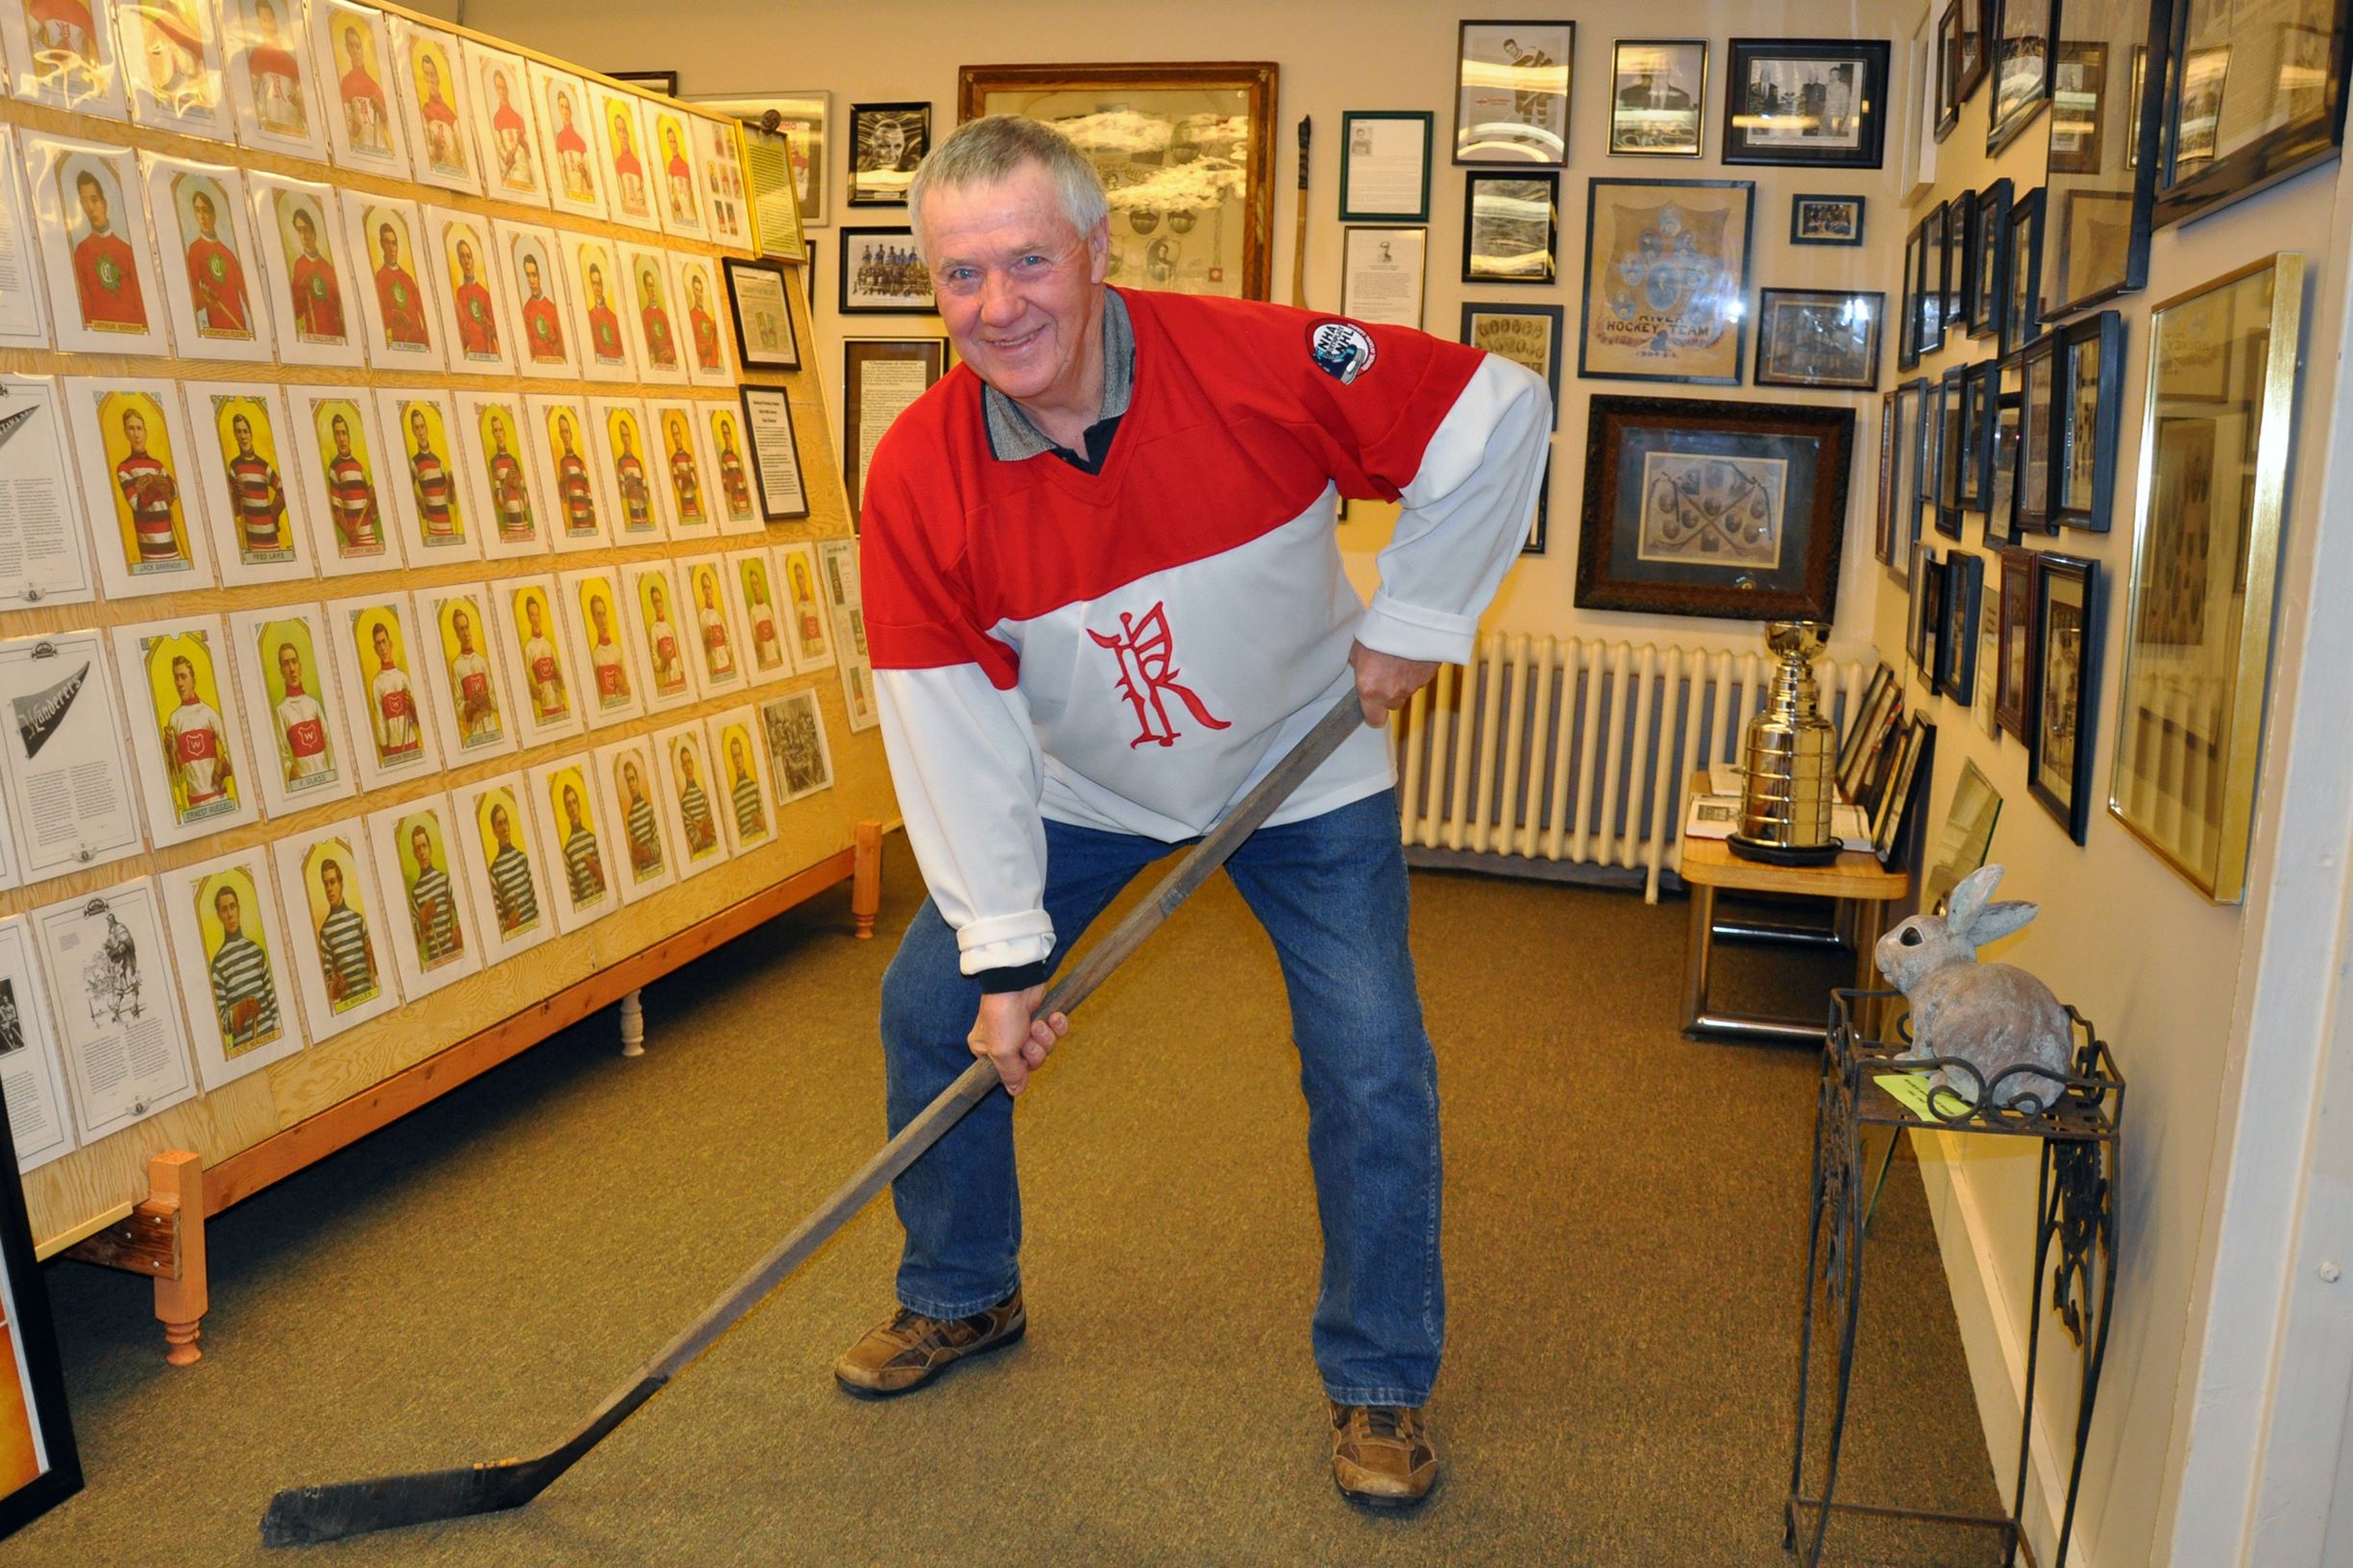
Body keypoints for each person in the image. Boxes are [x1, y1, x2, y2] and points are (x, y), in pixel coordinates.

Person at [840, 115, 1547, 1508]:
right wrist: (1002, 957)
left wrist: (1415, 613)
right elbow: (949, 727)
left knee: (1371, 1064)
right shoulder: (918, 472)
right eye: (960, 276)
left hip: (1303, 770)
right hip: (1085, 789)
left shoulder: (1255, 361)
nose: (997, 307)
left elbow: (1495, 408)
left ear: (1099, 249)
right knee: (929, 1012)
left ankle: (1381, 1382)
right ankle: (964, 1289)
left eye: (1028, 261)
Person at [71, 168, 146, 332]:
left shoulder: (127, 251)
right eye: (85, 202)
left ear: (104, 204)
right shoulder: (81, 253)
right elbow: (85, 308)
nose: (91, 208)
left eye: (94, 200)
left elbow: (142, 305)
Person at [208, 884, 281, 1051]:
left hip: (272, 1039)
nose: (230, 914)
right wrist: (241, 1010)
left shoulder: (256, 952)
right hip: (245, 1049)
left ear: (239, 909)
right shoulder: (218, 965)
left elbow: (273, 1002)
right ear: (219, 915)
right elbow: (223, 1024)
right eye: (224, 909)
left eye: (232, 907)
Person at [162, 652, 233, 818]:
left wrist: (223, 764)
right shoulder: (175, 719)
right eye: (176, 678)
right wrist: (170, 754)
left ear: (193, 680)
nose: (179, 683)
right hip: (195, 806)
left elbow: (233, 749)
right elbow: (177, 781)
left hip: (219, 800)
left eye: (183, 677)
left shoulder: (209, 714)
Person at [115, 406, 184, 569]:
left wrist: (150, 482)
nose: (136, 434)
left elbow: (174, 491)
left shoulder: (157, 465)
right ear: (125, 432)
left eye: (139, 428)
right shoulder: (124, 468)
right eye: (131, 429)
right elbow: (136, 503)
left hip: (170, 540)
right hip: (149, 546)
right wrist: (157, 483)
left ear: (145, 431)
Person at [183, 187, 251, 337]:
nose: (202, 217)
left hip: (239, 327)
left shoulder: (228, 254)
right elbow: (191, 294)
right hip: (217, 331)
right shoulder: (195, 250)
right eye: (198, 211)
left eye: (205, 211)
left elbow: (248, 296)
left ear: (213, 215)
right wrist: (203, 297)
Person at [314, 854, 378, 1008]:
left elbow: (375, 970)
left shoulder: (357, 920)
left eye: (332, 882)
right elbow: (329, 989)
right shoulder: (326, 932)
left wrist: (373, 954)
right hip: (349, 1006)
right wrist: (336, 985)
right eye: (325, 884)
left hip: (372, 997)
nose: (329, 888)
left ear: (341, 883)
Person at [224, 411, 286, 559]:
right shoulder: (234, 467)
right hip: (250, 537)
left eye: (245, 431)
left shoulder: (263, 466)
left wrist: (273, 513)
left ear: (251, 434)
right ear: (235, 435)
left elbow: (283, 490)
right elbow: (235, 511)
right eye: (239, 432)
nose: (243, 436)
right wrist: (235, 495)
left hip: (270, 535)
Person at [243, 0, 307, 135]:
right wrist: (261, 119)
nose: (268, 23)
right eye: (264, 20)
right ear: (259, 23)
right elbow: (248, 95)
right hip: (271, 128)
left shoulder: (290, 61)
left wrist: (299, 101)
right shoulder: (257, 56)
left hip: (294, 127)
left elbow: (304, 100)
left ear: (276, 21)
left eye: (270, 19)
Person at [274, 638, 331, 786]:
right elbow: (281, 753)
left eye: (294, 662)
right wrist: (291, 772)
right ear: (281, 671)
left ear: (300, 667)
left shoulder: (314, 705)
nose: (292, 669)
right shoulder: (281, 711)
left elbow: (329, 743)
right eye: (286, 664)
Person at [326, 412, 382, 554]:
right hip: (354, 539)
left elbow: (373, 513)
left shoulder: (359, 467)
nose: (342, 438)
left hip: (370, 536)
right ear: (334, 438)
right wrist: (349, 531)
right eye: (337, 434)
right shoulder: (334, 469)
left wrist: (374, 500)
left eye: (344, 433)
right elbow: (336, 510)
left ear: (349, 436)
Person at [285, 204, 344, 341]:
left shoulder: (329, 269)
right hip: (314, 338)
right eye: (299, 231)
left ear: (314, 232)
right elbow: (296, 312)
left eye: (306, 230)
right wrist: (300, 289)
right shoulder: (299, 265)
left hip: (333, 337)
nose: (303, 236)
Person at [406, 822, 460, 963]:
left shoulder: (444, 880)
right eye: (418, 848)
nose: (422, 852)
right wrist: (423, 916)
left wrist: (459, 932)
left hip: (455, 954)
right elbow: (415, 939)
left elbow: (463, 911)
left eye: (424, 846)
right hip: (434, 961)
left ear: (430, 848)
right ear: (414, 854)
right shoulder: (416, 893)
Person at [445, 605, 500, 745]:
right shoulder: (457, 666)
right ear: (457, 634)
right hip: (474, 735)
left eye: (467, 627)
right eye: (461, 629)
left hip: (492, 730)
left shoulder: (482, 661)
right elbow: (457, 706)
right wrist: (469, 706)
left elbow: (497, 698)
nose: (466, 633)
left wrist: (487, 698)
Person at [368, 619, 421, 762]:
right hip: (393, 750)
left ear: (390, 644)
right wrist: (386, 752)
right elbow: (379, 720)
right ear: (375, 649)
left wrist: (412, 706)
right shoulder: (377, 683)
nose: (382, 648)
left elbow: (419, 718)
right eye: (378, 644)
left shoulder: (403, 678)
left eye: (384, 642)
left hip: (412, 744)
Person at [373, 220, 429, 350]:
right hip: (399, 345)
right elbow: (380, 318)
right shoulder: (380, 278)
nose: (391, 248)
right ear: (381, 244)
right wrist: (396, 314)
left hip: (419, 345)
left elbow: (424, 311)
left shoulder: (407, 277)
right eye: (387, 243)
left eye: (394, 243)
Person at [406, 405, 458, 544]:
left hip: (447, 524)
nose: (421, 432)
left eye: (422, 426)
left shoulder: (438, 461)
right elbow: (407, 489)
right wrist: (421, 502)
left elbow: (450, 499)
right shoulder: (414, 463)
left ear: (427, 428)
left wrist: (452, 482)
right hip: (433, 526)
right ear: (413, 431)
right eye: (417, 428)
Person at [484, 802, 537, 934]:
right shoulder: (494, 872)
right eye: (499, 824)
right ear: (494, 831)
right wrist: (509, 925)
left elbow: (537, 901)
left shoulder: (522, 859)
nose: (504, 828)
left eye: (505, 822)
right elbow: (500, 922)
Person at [337, 23, 389, 153]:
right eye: (351, 46)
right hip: (359, 151)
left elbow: (389, 124)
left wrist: (380, 110)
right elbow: (346, 129)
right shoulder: (346, 82)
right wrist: (353, 129)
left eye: (358, 46)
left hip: (380, 151)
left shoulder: (374, 85)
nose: (355, 50)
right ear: (347, 48)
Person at [519, 596, 569, 721]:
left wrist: (560, 676)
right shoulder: (528, 648)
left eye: (537, 614)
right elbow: (527, 678)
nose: (535, 619)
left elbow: (562, 679)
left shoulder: (549, 645)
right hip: (545, 707)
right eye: (532, 615)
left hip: (560, 703)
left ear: (540, 616)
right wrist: (534, 689)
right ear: (529, 618)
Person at [449, 236, 499, 358]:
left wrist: (490, 328)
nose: (466, 260)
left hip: (488, 353)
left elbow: (496, 328)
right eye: (462, 256)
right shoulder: (459, 293)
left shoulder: (484, 293)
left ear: (473, 260)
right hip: (470, 355)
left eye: (468, 256)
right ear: (459, 261)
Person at [414, 51, 462, 173]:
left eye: (433, 74)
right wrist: (436, 149)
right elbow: (425, 154)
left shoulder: (451, 114)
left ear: (438, 78)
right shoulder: (424, 113)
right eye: (427, 75)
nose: (431, 79)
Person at [486, 420, 533, 542]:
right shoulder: (494, 462)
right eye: (495, 431)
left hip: (523, 520)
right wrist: (507, 482)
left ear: (504, 432)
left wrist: (517, 484)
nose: (498, 434)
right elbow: (500, 502)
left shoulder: (513, 460)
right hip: (510, 522)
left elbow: (527, 500)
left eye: (500, 430)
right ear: (493, 434)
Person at [559, 783, 605, 905]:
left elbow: (606, 879)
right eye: (568, 804)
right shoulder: (568, 850)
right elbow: (574, 893)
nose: (572, 808)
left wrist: (594, 867)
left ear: (579, 805)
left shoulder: (592, 839)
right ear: (566, 810)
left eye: (574, 802)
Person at [552, 413, 598, 536]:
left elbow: (587, 487)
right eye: (562, 432)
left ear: (571, 434)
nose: (565, 435)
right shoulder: (562, 462)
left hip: (585, 511)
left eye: (567, 431)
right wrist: (563, 485)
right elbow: (562, 492)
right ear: (560, 435)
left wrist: (591, 509)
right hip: (572, 512)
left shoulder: (579, 462)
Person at [587, 592, 631, 708]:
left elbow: (631, 693)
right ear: (594, 620)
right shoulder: (594, 657)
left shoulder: (618, 652)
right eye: (598, 615)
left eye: (604, 614)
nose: (603, 620)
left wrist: (623, 684)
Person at [519, 253, 565, 362]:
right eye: (528, 275)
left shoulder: (552, 308)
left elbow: (563, 346)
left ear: (539, 275)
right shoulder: (526, 310)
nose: (531, 280)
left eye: (534, 275)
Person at [620, 759, 662, 874]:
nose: (631, 784)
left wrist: (646, 851)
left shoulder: (649, 809)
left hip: (657, 867)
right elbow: (635, 854)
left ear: (637, 780)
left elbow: (659, 843)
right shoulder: (630, 818)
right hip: (644, 873)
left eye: (633, 779)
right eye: (628, 780)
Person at [643, 578, 684, 695]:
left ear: (663, 602)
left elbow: (679, 656)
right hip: (667, 677)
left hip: (678, 677)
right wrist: (663, 662)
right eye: (655, 602)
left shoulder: (670, 628)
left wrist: (683, 674)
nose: (658, 604)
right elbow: (655, 662)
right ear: (652, 604)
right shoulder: (654, 630)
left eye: (659, 601)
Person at [675, 744, 716, 855]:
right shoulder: (684, 802)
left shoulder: (702, 796)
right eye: (685, 764)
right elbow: (693, 839)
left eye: (689, 762)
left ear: (692, 764)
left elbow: (714, 829)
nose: (688, 767)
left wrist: (700, 829)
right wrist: (703, 831)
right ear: (682, 768)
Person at [613, 419, 652, 530]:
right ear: (621, 438)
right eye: (623, 436)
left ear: (630, 437)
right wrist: (628, 484)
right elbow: (622, 492)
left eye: (627, 435)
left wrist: (642, 494)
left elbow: (646, 489)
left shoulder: (637, 462)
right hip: (633, 512)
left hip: (644, 512)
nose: (625, 439)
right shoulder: (621, 462)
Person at [695, 570, 734, 679]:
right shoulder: (702, 617)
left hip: (726, 665)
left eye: (709, 587)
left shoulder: (718, 615)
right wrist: (707, 641)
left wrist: (727, 655)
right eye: (704, 588)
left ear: (712, 589)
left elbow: (728, 640)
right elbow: (701, 647)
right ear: (702, 591)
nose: (707, 591)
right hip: (714, 667)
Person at [726, 733, 765, 842]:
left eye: (738, 755)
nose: (737, 760)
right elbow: (738, 830)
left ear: (743, 756)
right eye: (734, 757)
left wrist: (758, 820)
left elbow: (764, 823)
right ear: (732, 760)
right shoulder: (734, 795)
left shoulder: (754, 787)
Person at [584, 261, 625, 365]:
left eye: (599, 283)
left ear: (602, 284)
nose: (597, 287)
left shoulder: (614, 318)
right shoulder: (589, 317)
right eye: (594, 283)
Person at [665, 415, 702, 525]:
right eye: (674, 434)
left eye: (677, 433)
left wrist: (689, 477)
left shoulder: (688, 457)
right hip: (684, 497)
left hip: (692, 494)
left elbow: (695, 480)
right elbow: (677, 481)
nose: (676, 437)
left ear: (680, 434)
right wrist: (683, 479)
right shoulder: (674, 460)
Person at [639, 268, 677, 369]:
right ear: (646, 288)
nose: (653, 289)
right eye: (649, 286)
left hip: (669, 365)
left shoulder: (663, 314)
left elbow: (672, 341)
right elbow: (646, 345)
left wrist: (670, 352)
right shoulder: (645, 314)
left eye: (653, 285)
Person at [715, 415, 752, 518]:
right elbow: (724, 477)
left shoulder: (736, 455)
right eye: (724, 433)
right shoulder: (724, 456)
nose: (726, 436)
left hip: (743, 491)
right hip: (735, 492)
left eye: (728, 433)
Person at [687, 272, 722, 374]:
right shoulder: (691, 315)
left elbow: (715, 343)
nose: (699, 294)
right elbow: (690, 342)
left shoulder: (708, 318)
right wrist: (701, 348)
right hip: (701, 367)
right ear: (693, 292)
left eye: (701, 291)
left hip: (714, 366)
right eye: (697, 290)